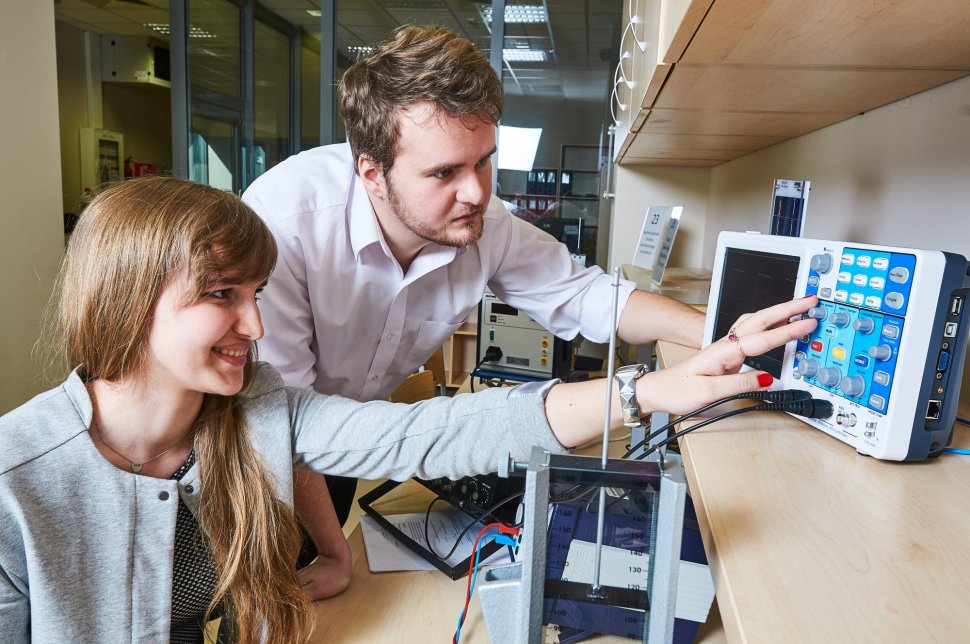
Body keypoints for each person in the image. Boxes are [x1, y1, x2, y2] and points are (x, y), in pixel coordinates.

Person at [0, 176, 816, 642]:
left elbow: (433, 431)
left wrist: (643, 390)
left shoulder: (255, 415)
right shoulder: (14, 480)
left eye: (256, 295)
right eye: (222, 296)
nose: (253, 325)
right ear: (127, 300)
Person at [242, 24, 708, 598]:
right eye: (444, 173)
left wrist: (713, 333)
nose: (476, 193)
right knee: (264, 601)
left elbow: (584, 295)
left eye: (484, 162)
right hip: (258, 456)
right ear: (372, 174)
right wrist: (334, 551)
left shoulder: (486, 224)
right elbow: (284, 420)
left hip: (352, 439)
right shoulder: (284, 226)